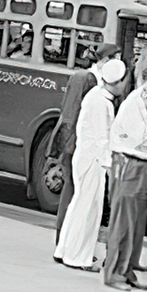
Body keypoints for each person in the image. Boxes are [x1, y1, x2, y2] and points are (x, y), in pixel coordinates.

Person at [54, 59, 128, 271]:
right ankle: (78, 256)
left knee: (79, 205)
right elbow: (100, 138)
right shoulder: (100, 101)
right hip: (93, 160)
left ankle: (66, 250)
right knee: (88, 210)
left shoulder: (97, 96)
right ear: (118, 81)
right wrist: (109, 164)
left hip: (87, 158)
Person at [102, 80, 147, 291]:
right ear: (146, 93)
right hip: (129, 165)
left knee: (135, 223)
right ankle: (114, 273)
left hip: (141, 166)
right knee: (123, 221)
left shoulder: (141, 107)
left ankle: (126, 270)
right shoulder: (131, 107)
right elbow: (140, 141)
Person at [50, 43, 120, 244]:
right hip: (78, 145)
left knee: (77, 195)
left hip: (81, 145)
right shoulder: (87, 79)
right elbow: (71, 115)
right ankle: (64, 241)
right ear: (106, 61)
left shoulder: (92, 80)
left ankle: (68, 242)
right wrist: (69, 146)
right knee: (73, 194)